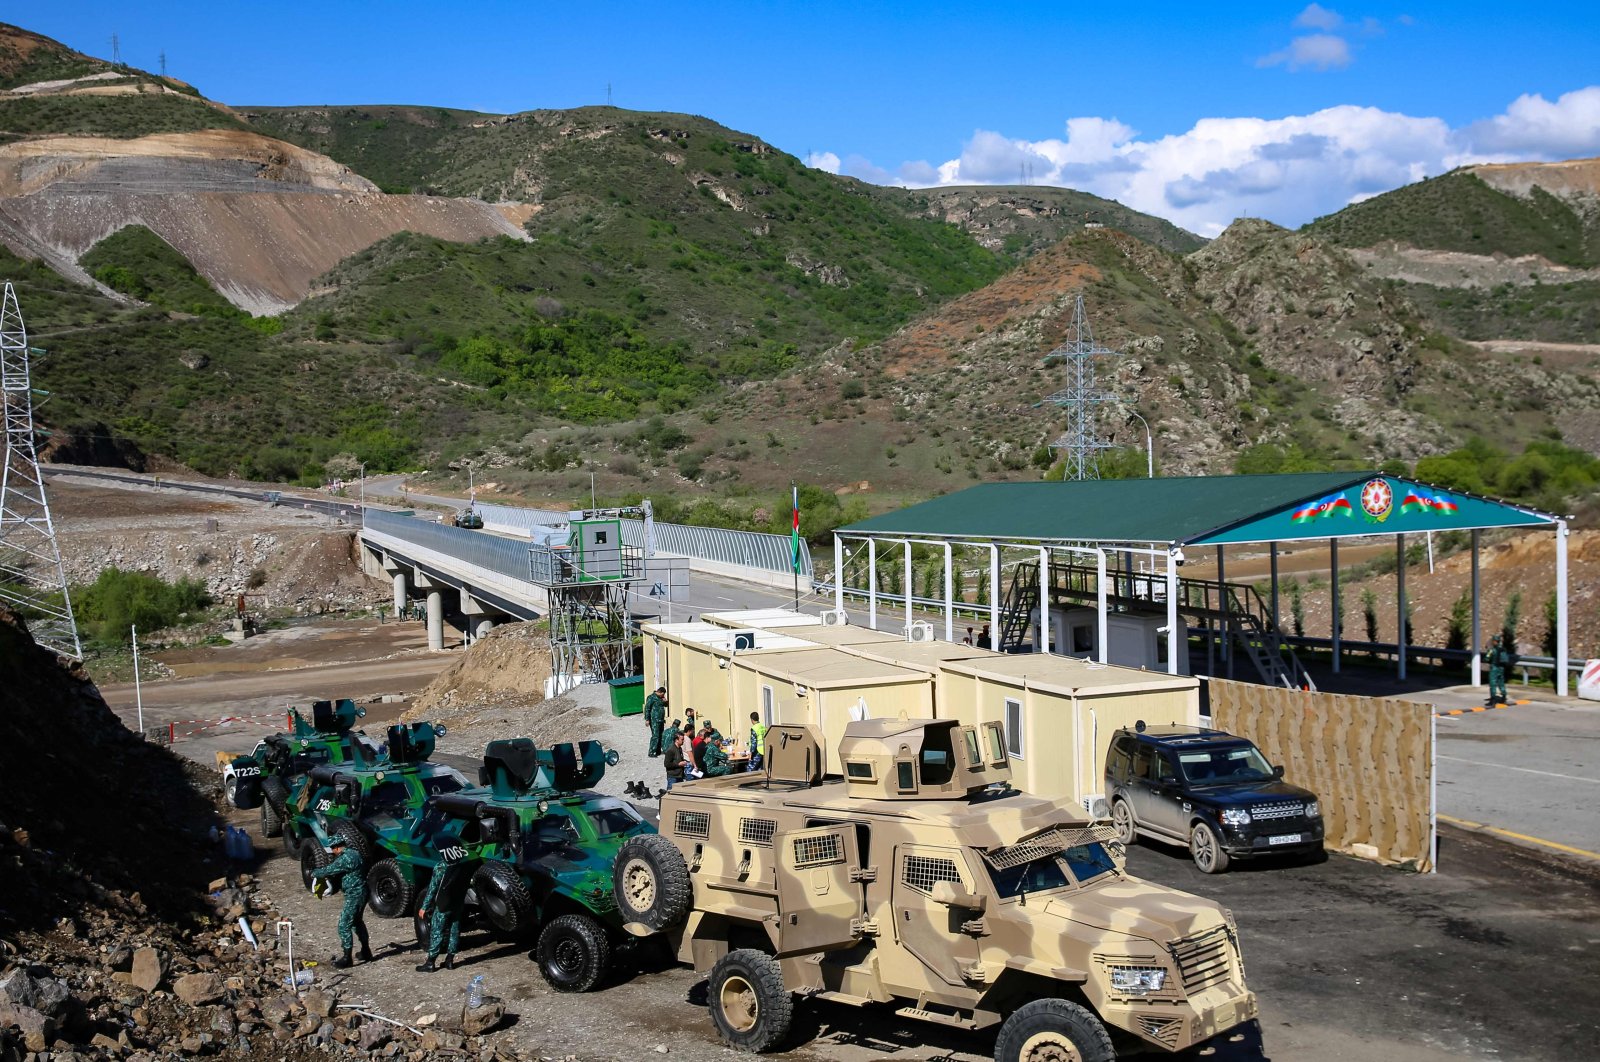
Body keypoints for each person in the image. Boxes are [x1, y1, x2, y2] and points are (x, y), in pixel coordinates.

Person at [307, 836, 372, 968]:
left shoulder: (345, 858)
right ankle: (366, 951)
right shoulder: (354, 853)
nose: (333, 852)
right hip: (361, 892)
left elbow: (329, 869)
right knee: (356, 922)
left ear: (336, 847)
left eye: (333, 849)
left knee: (343, 925)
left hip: (354, 895)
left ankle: (347, 957)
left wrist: (313, 873)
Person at [415, 846, 476, 972]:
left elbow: (432, 890)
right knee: (454, 930)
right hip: (458, 902)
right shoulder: (465, 864)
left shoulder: (441, 867)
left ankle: (430, 962)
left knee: (437, 930)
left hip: (444, 903)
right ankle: (450, 960)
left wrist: (424, 907)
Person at [1487, 633, 1512, 707]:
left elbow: (1486, 658)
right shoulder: (1503, 649)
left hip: (1494, 668)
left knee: (1493, 684)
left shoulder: (1492, 650)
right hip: (1501, 668)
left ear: (1495, 641)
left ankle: (1493, 700)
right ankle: (1503, 697)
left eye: (1493, 640)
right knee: (1501, 683)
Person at [643, 687, 668, 757]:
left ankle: (658, 750)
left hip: (661, 720)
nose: (663, 695)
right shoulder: (651, 697)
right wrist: (647, 719)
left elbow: (665, 705)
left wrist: (665, 701)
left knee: (661, 735)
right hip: (654, 720)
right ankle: (652, 752)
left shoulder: (661, 698)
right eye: (662, 694)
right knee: (655, 736)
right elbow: (647, 708)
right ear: (659, 692)